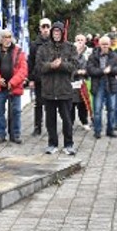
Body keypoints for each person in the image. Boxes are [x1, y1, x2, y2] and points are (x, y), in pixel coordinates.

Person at [36, 21, 78, 155]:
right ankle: (52, 143)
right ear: (51, 33)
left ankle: (68, 144)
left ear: (62, 33)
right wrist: (51, 66)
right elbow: (39, 67)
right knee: (50, 120)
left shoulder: (70, 48)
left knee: (67, 119)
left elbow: (73, 66)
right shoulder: (43, 48)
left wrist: (61, 65)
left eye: (58, 32)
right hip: (48, 90)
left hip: (64, 90)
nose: (56, 34)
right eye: (54, 32)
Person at [0, 29, 28, 144]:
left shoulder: (19, 52)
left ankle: (16, 134)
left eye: (9, 36)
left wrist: (13, 82)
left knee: (16, 111)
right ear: (0, 38)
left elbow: (23, 70)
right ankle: (0, 134)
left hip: (14, 86)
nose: (7, 39)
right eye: (5, 37)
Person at [87, 35, 117, 139]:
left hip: (111, 83)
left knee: (111, 108)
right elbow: (90, 70)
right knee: (97, 109)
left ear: (110, 44)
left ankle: (110, 130)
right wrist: (103, 71)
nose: (105, 46)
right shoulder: (93, 56)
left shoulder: (114, 56)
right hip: (98, 83)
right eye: (103, 44)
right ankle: (97, 131)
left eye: (107, 44)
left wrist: (110, 70)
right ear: (99, 44)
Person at [28, 18, 51, 136]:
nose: (46, 30)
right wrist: (31, 78)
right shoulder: (34, 44)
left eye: (48, 27)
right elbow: (30, 62)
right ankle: (38, 127)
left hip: (51, 79)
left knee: (50, 104)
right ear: (40, 28)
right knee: (39, 104)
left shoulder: (55, 43)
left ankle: (50, 126)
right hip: (39, 78)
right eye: (43, 27)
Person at [71, 34, 93, 131]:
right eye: (77, 40)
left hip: (82, 83)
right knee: (70, 105)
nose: (79, 43)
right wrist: (77, 72)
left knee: (82, 104)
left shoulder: (86, 56)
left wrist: (85, 72)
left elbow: (88, 68)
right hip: (71, 84)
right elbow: (68, 69)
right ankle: (70, 123)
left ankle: (84, 121)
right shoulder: (69, 57)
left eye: (81, 40)